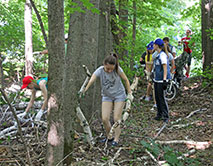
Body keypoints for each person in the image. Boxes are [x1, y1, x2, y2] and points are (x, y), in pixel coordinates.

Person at [84, 53, 133, 146]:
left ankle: (116, 139)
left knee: (116, 118)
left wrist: (129, 93)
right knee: (105, 118)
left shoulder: (118, 70)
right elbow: (92, 79)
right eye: (107, 69)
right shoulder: (100, 70)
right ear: (104, 65)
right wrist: (85, 89)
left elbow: (126, 80)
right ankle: (109, 136)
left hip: (119, 95)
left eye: (112, 69)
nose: (109, 71)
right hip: (107, 96)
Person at [152, 38, 171, 123]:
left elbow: (165, 67)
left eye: (154, 44)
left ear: (157, 45)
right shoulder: (157, 54)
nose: (153, 46)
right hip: (156, 79)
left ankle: (166, 116)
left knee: (161, 98)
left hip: (161, 80)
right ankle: (159, 114)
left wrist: (164, 80)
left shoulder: (162, 55)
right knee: (157, 97)